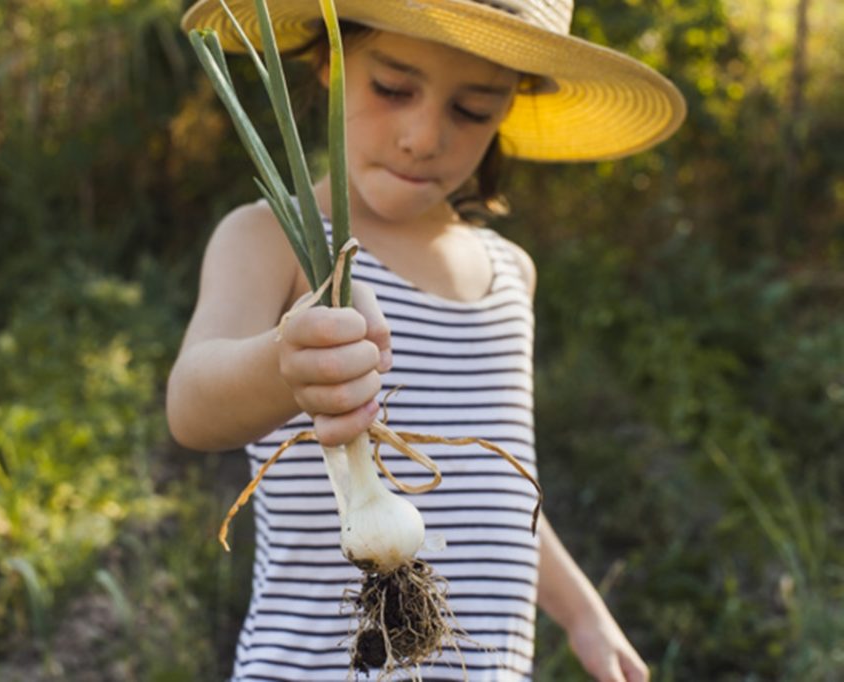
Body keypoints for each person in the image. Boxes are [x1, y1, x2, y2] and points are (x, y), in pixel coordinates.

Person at [169, 1, 685, 680]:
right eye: (392, 89)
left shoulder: (509, 274)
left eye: (471, 109)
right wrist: (285, 365)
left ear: (510, 107)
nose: (423, 137)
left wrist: (584, 611)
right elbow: (192, 406)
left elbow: (492, 486)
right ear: (330, 62)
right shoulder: (274, 237)